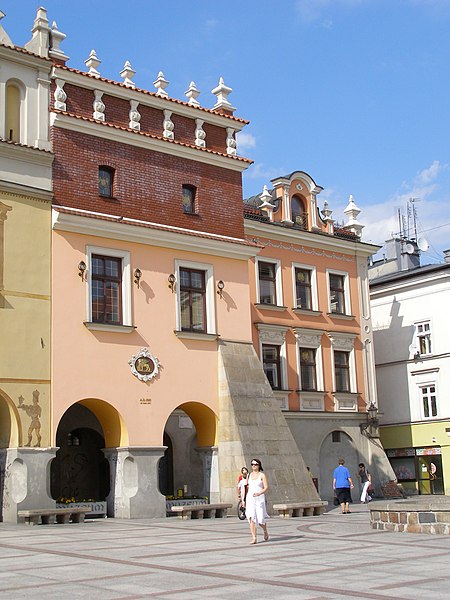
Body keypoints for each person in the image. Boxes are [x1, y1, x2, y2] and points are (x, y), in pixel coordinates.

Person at [243, 458, 269, 544]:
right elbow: (246, 487)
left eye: (255, 464)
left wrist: (259, 493)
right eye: (252, 464)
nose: (254, 466)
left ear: (259, 465)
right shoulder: (249, 475)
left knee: (260, 519)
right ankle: (254, 538)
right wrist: (243, 500)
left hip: (259, 498)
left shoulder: (262, 475)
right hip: (250, 498)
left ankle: (265, 530)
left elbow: (266, 487)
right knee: (251, 517)